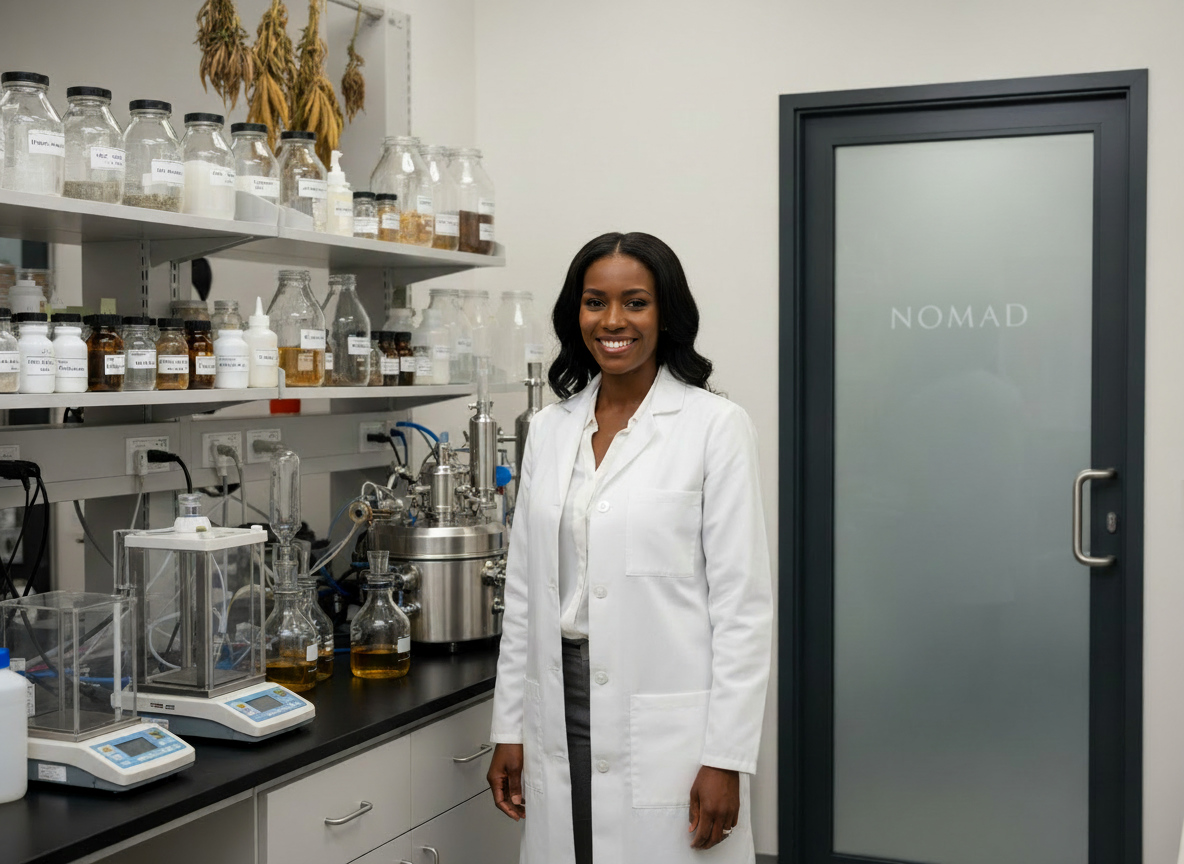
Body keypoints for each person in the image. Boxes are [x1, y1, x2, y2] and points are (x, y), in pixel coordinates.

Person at [487, 232, 773, 863]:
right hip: (557, 704)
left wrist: (725, 759)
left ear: (665, 314)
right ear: (576, 315)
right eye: (595, 302)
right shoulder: (549, 431)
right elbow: (526, 593)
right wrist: (508, 728)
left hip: (663, 715)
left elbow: (742, 608)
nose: (613, 321)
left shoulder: (714, 428)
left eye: (635, 302)